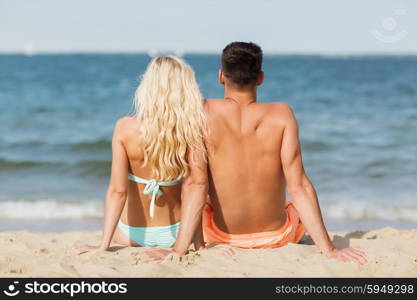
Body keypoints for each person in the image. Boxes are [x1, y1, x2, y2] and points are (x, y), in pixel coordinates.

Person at [201, 42, 367, 264]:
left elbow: (195, 184)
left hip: (218, 237)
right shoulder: (282, 114)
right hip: (277, 237)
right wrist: (329, 250)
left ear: (221, 76)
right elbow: (299, 186)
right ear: (260, 78)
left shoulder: (203, 112)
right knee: (290, 204)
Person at [76, 56, 208, 256]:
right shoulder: (190, 131)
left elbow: (117, 192)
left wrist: (104, 245)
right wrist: (200, 245)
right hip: (178, 234)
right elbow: (196, 187)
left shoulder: (124, 128)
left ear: (147, 87)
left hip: (130, 235)